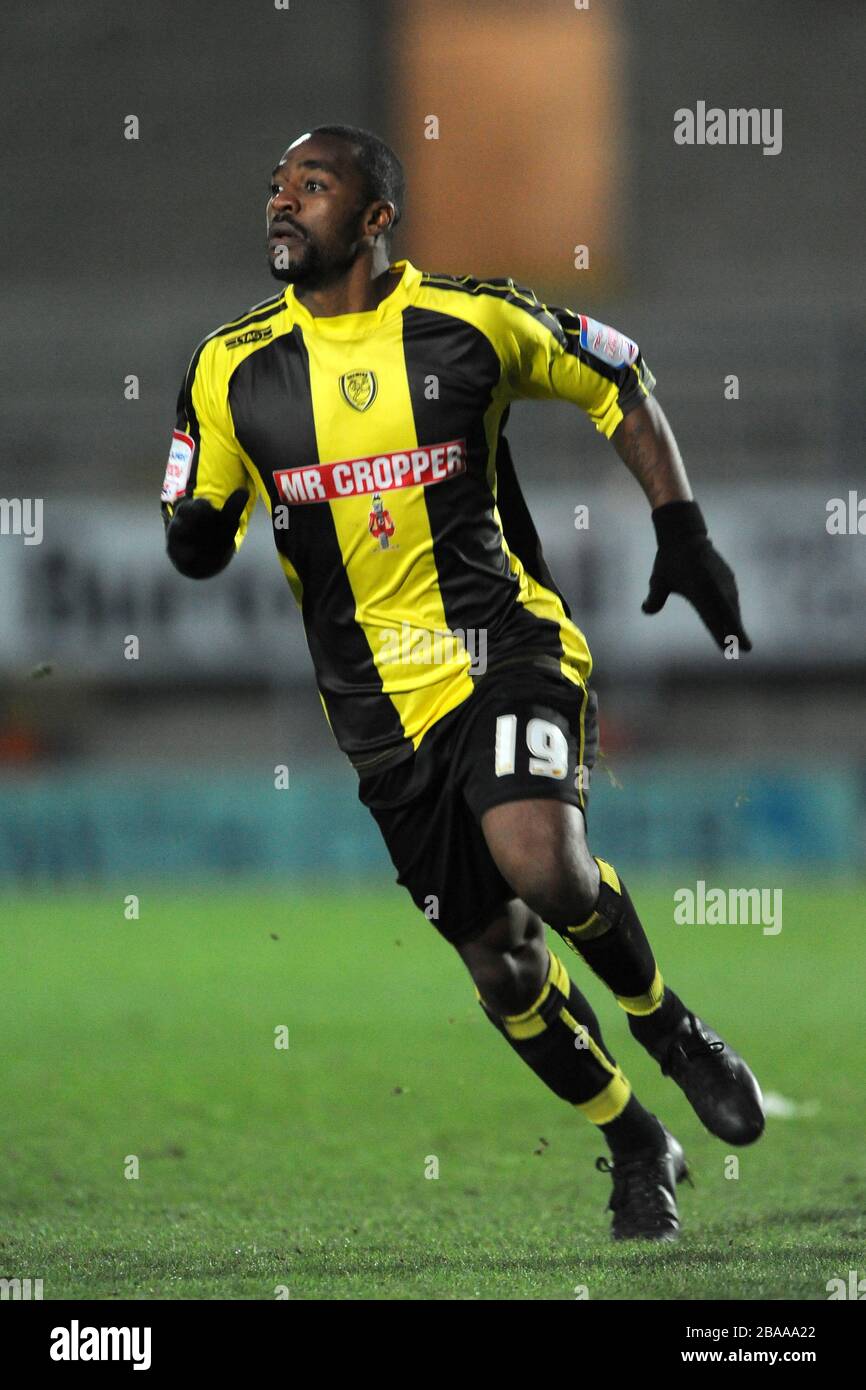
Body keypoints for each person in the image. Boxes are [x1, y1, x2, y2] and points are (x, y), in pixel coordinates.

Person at [160, 124, 764, 1241]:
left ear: (375, 217)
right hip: (377, 719)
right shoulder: (229, 364)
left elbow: (617, 371)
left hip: (504, 648)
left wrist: (679, 528)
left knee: (542, 857)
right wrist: (193, 530)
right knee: (501, 962)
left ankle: (669, 1027)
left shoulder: (471, 320)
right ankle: (636, 1141)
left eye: (313, 185)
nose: (282, 203)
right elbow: (199, 507)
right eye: (275, 184)